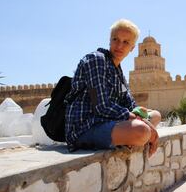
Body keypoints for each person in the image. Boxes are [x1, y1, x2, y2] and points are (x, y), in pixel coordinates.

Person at [65, 19, 160, 156]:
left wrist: (140, 116)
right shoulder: (96, 60)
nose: (119, 45)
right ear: (109, 40)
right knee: (142, 131)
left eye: (126, 42)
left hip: (108, 122)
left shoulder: (118, 71)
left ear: (132, 48)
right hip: (85, 128)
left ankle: (128, 136)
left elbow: (130, 104)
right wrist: (142, 123)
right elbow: (101, 106)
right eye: (115, 39)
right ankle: (131, 136)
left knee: (155, 115)